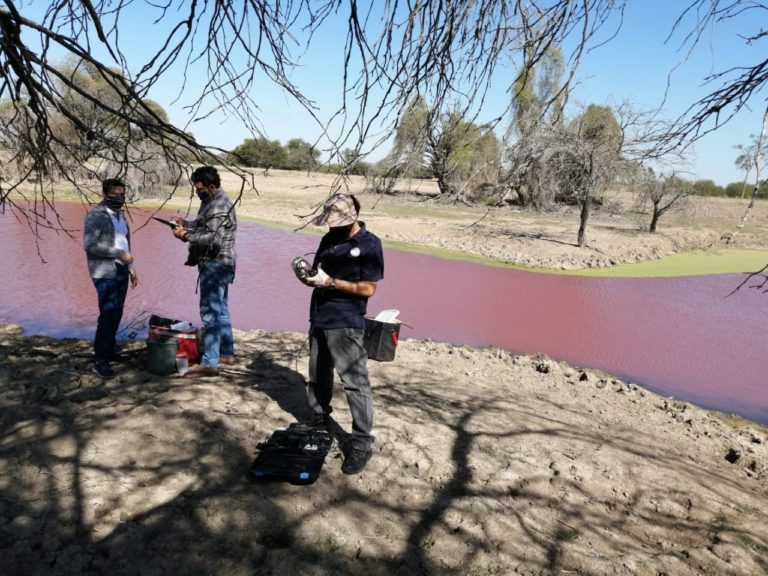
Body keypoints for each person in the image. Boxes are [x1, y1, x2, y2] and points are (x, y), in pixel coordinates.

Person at [297, 193, 384, 475]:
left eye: (337, 223)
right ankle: (319, 418)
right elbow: (320, 275)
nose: (331, 227)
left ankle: (361, 442)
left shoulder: (370, 245)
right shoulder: (328, 239)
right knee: (317, 374)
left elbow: (369, 288)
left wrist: (331, 282)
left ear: (353, 218)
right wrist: (311, 278)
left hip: (346, 320)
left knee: (355, 383)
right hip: (320, 315)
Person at [171, 166, 237, 378]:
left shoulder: (218, 204)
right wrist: (186, 224)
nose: (198, 192)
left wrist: (185, 237)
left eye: (200, 189)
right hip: (222, 264)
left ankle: (210, 363)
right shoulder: (212, 201)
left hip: (215, 264)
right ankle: (226, 354)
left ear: (211, 186)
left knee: (210, 314)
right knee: (222, 310)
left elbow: (213, 239)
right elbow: (205, 227)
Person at [83, 178, 139, 379]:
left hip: (122, 270)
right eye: (114, 194)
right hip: (104, 271)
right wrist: (118, 254)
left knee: (116, 313)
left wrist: (131, 267)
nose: (119, 197)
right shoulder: (96, 216)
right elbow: (90, 245)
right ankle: (100, 360)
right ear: (105, 194)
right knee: (108, 313)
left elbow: (125, 244)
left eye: (122, 193)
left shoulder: (121, 216)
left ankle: (109, 350)